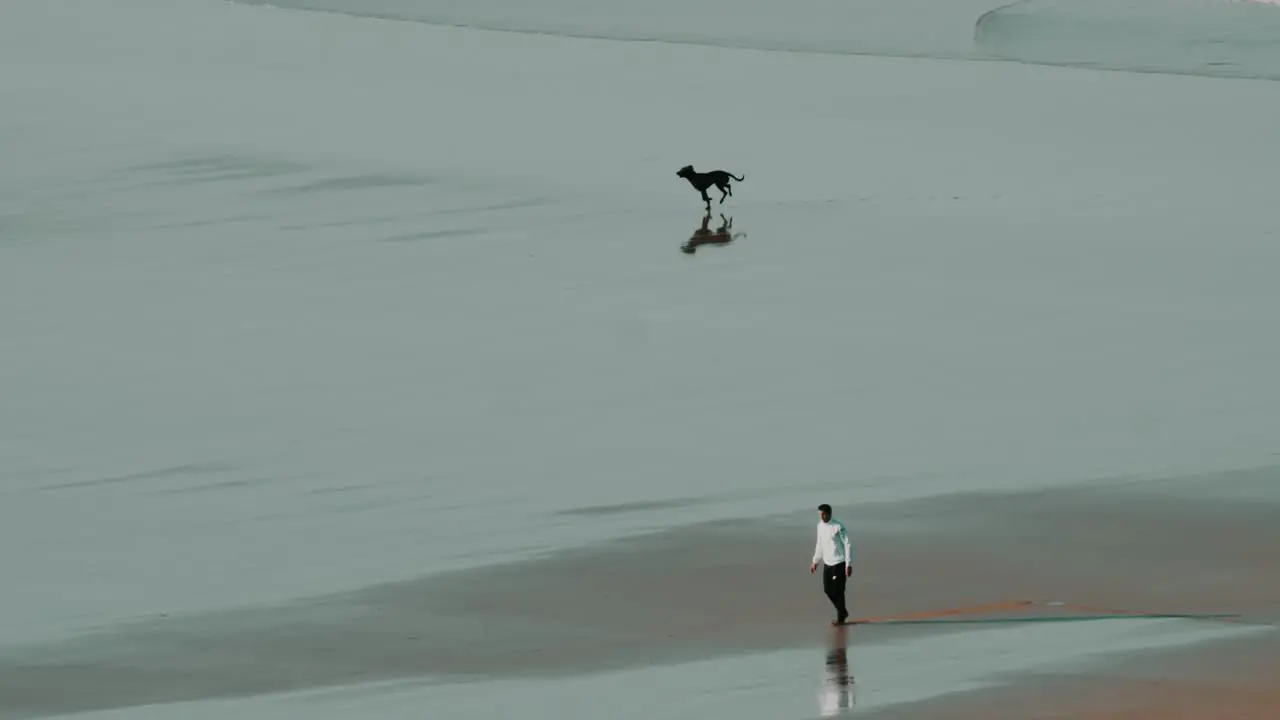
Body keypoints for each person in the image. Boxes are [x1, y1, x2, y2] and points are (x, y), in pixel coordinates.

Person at [809, 503, 852, 625]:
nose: (821, 517)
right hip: (827, 563)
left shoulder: (838, 527)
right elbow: (819, 544)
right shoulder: (820, 526)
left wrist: (848, 564)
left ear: (829, 514)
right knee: (827, 590)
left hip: (839, 562)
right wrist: (815, 561)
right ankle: (842, 611)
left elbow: (848, 545)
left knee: (838, 591)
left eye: (823, 515)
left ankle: (841, 617)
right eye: (819, 515)